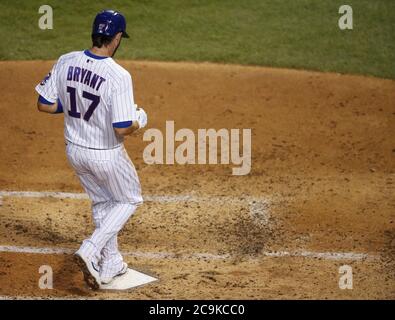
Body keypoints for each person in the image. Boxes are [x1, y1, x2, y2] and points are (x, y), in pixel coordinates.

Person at [35, 9, 147, 289]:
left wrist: (77, 107)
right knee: (128, 200)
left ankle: (111, 262)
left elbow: (45, 104)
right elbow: (122, 127)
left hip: (75, 151)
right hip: (106, 154)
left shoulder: (66, 60)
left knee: (102, 202)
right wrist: (140, 120)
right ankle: (90, 248)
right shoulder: (118, 75)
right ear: (117, 37)